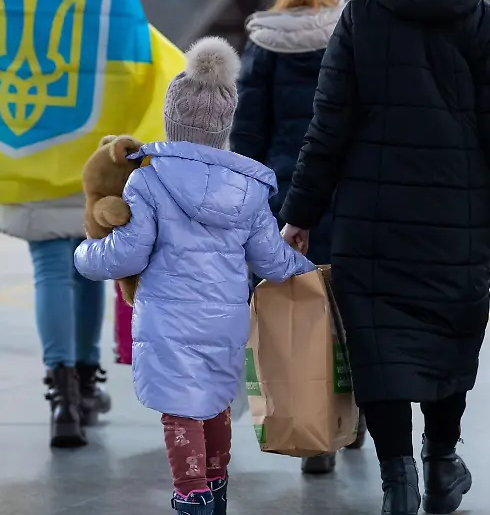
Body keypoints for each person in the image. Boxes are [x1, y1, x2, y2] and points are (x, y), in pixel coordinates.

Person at [278, 0, 490, 512]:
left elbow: (327, 127)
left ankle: (398, 480)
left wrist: (301, 214)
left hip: (369, 221)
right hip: (459, 217)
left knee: (380, 350)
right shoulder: (482, 23)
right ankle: (443, 463)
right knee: (449, 342)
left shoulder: (360, 17)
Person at [74, 37, 314, 515]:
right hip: (225, 323)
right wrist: (310, 271)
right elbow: (270, 259)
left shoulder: (148, 178)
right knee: (216, 405)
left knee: (180, 410)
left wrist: (86, 254)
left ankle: (192, 495)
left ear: (171, 119)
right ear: (225, 125)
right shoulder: (247, 187)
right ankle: (217, 490)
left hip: (168, 322)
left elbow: (127, 254)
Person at [0, 0, 134, 448]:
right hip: (93, 136)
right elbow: (134, 56)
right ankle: (88, 386)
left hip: (23, 133)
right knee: (89, 257)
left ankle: (62, 398)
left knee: (49, 265)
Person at [229, 0, 366, 476]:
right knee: (350, 312)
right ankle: (352, 416)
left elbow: (247, 138)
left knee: (304, 316)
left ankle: (316, 431)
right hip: (346, 194)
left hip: (282, 200)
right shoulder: (355, 34)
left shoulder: (264, 42)